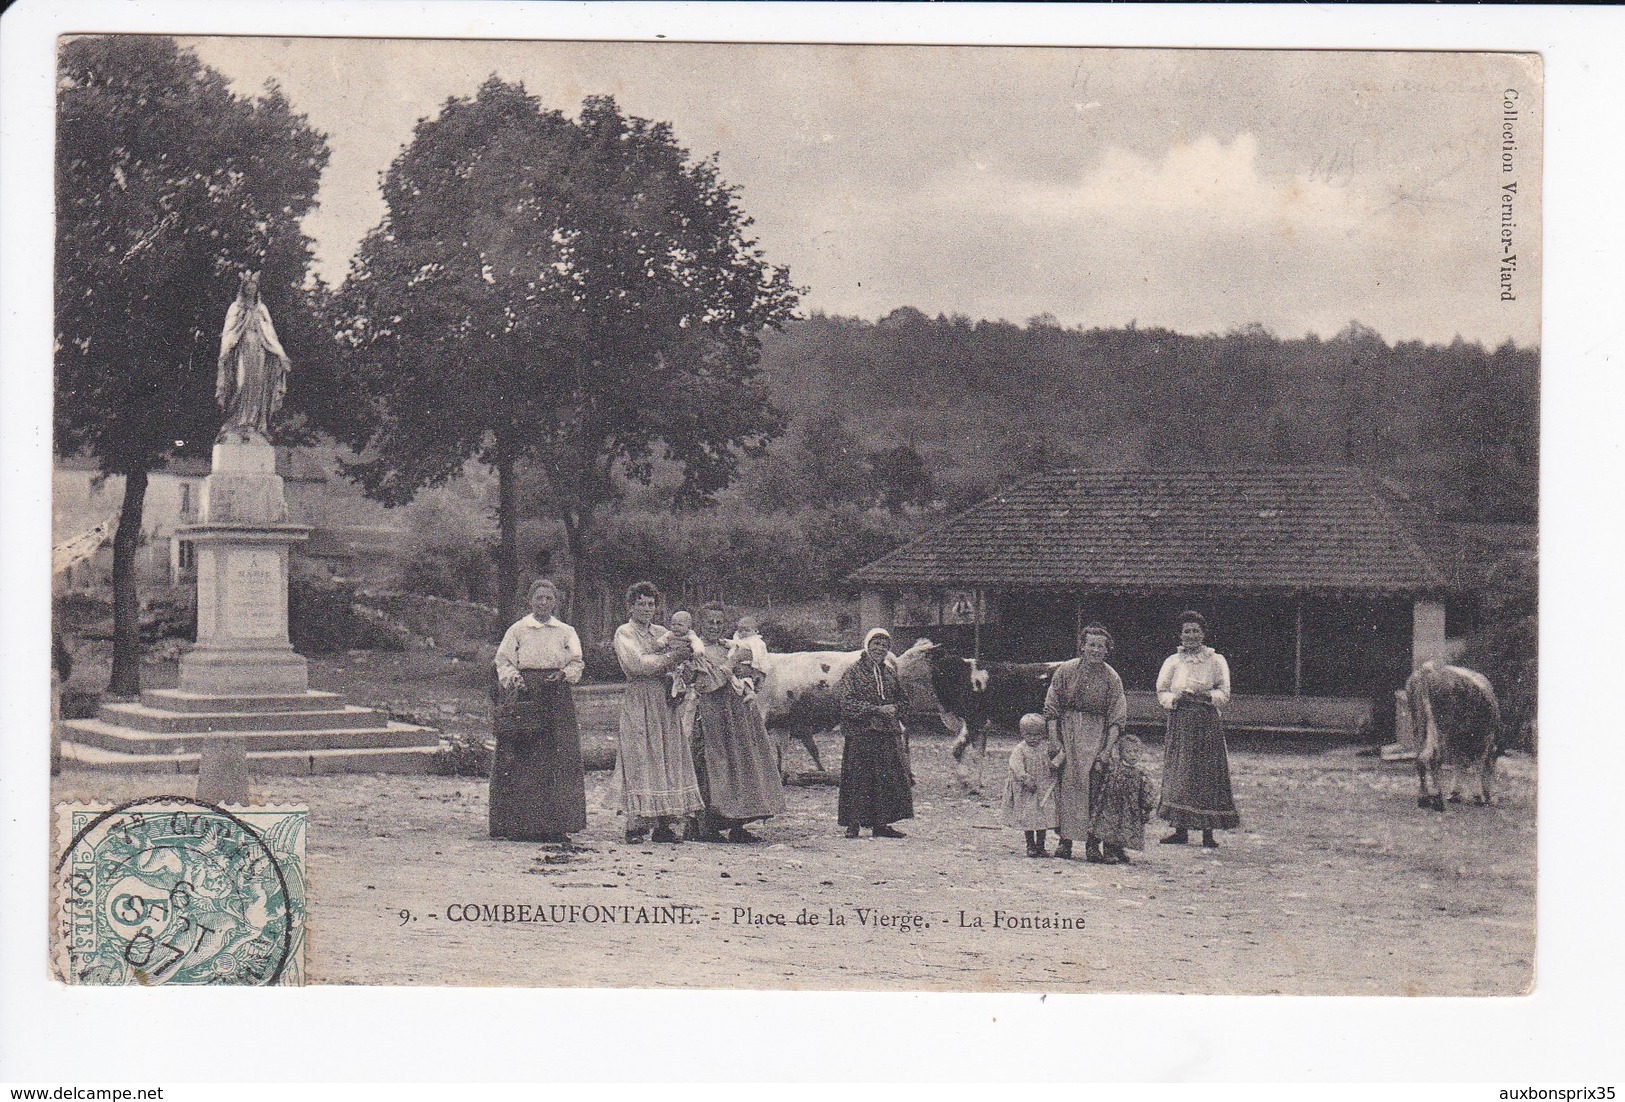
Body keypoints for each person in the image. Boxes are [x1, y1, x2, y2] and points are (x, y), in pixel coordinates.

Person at [490, 578, 587, 843]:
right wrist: (515, 679)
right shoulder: (518, 630)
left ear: (556, 602)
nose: (543, 603)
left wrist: (565, 674)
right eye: (539, 598)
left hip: (556, 696)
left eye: (548, 599)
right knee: (524, 758)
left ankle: (557, 825)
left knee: (557, 758)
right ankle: (519, 824)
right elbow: (503, 660)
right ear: (530, 600)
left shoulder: (566, 631)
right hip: (526, 695)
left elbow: (577, 662)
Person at [607, 582, 704, 843]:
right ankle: (637, 825)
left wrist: (685, 670)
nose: (646, 609)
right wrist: (672, 659)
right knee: (640, 753)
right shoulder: (624, 632)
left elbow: (687, 655)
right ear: (630, 606)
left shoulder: (664, 632)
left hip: (665, 697)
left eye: (651, 604)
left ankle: (665, 823)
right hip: (640, 696)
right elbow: (637, 664)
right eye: (640, 603)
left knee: (667, 754)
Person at [687, 603, 787, 842]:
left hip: (737, 715)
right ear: (701, 624)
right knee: (713, 767)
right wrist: (732, 664)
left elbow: (749, 674)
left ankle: (738, 824)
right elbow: (707, 684)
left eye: (719, 623)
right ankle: (706, 825)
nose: (714, 627)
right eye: (709, 622)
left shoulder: (730, 646)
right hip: (711, 716)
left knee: (741, 765)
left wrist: (750, 682)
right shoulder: (696, 650)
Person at [1042, 622, 1129, 863]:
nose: (1095, 650)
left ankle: (1093, 844)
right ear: (1082, 647)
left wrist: (1107, 750)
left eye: (1100, 646)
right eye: (1091, 645)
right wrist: (1054, 740)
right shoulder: (1066, 670)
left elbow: (1116, 717)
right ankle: (1065, 842)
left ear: (1107, 649)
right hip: (1069, 734)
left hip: (1097, 735)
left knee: (1095, 789)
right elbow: (1052, 708)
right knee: (1067, 788)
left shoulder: (1112, 677)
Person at [1155, 611, 1240, 848]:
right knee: (1181, 770)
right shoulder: (1173, 661)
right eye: (1186, 631)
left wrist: (1207, 696)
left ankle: (1208, 832)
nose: (1191, 635)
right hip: (1181, 720)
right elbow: (1162, 691)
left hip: (1206, 721)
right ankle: (1180, 829)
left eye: (1195, 631)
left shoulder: (1216, 660)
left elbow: (1225, 693)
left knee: (1207, 773)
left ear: (1203, 634)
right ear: (1180, 635)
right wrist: (1175, 699)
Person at [836, 628, 914, 839]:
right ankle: (853, 824)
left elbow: (904, 700)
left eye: (885, 646)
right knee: (858, 777)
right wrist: (876, 710)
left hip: (886, 732)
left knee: (885, 778)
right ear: (867, 645)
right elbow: (846, 702)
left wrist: (895, 709)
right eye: (876, 644)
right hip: (861, 732)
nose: (880, 649)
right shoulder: (853, 672)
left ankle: (882, 823)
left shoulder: (889, 673)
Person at [215, 270, 291, 442]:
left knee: (257, 386)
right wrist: (226, 350)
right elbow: (228, 332)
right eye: (248, 288)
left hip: (259, 350)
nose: (251, 291)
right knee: (241, 383)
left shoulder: (261, 309)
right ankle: (236, 420)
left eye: (253, 288)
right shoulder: (235, 308)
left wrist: (280, 353)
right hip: (242, 349)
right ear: (243, 289)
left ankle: (253, 423)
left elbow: (270, 334)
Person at [1089, 730, 1157, 864]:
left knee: (1125, 828)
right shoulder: (1114, 768)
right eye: (1129, 752)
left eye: (1136, 752)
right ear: (1121, 753)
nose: (1133, 755)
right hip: (1112, 804)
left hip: (1129, 807)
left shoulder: (1140, 773)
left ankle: (1118, 849)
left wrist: (1147, 806)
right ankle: (1108, 851)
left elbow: (1147, 791)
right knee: (1110, 827)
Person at [1002, 713, 1063, 857]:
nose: (1033, 738)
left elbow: (1059, 755)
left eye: (1037, 735)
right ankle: (1030, 845)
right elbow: (1015, 765)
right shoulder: (1021, 749)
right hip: (1028, 789)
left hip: (1043, 786)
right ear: (1022, 733)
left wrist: (1056, 763)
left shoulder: (1046, 747)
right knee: (1028, 816)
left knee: (1042, 818)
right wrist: (1024, 777)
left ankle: (1041, 846)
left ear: (1043, 734)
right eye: (1029, 734)